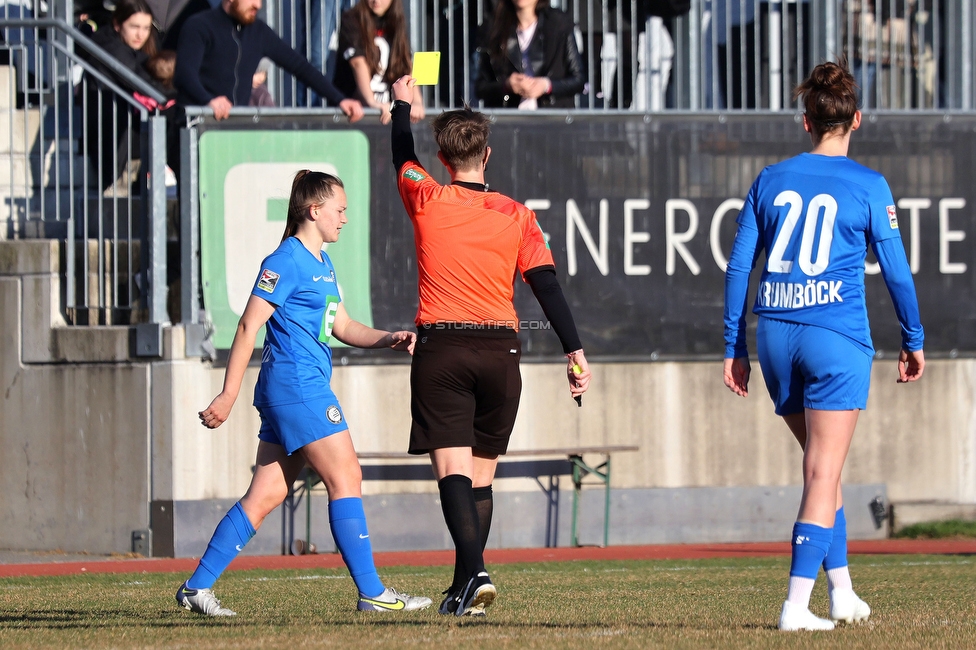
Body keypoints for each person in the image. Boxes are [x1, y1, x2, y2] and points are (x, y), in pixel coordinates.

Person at [722, 60, 925, 632]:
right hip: (835, 335)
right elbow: (897, 275)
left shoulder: (769, 178)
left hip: (776, 337)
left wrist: (733, 344)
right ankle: (794, 607)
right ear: (855, 119)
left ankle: (841, 593)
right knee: (822, 471)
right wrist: (913, 338)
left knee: (821, 471)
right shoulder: (868, 184)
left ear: (804, 120)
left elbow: (740, 267)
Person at [175, 170, 432, 617]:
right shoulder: (286, 260)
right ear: (314, 211)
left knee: (266, 494)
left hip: (295, 389)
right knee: (346, 476)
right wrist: (228, 394)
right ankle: (372, 593)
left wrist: (387, 337)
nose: (344, 219)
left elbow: (342, 325)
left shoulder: (322, 263)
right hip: (298, 387)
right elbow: (248, 325)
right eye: (340, 210)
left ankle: (196, 588)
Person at [389, 75, 591, 617]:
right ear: (487, 154)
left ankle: (474, 570)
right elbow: (546, 285)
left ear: (443, 157)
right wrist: (574, 350)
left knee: (453, 473)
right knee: (481, 476)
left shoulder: (427, 196)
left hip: (444, 351)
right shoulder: (517, 214)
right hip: (502, 353)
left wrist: (402, 104)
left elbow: (400, 153)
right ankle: (463, 592)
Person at [173, 0, 363, 122]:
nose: (259, 5)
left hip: (232, 129)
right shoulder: (199, 25)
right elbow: (184, 75)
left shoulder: (258, 32)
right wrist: (209, 101)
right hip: (197, 124)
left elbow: (300, 66)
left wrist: (340, 99)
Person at [80, 0, 168, 192]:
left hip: (126, 141)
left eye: (146, 28)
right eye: (134, 27)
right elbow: (136, 78)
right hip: (113, 141)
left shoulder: (131, 50)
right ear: (118, 25)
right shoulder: (110, 47)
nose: (140, 34)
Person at [475, 0, 584, 109]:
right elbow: (480, 87)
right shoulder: (493, 28)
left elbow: (578, 79)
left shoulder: (559, 25)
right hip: (509, 118)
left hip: (552, 117)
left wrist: (547, 85)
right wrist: (506, 85)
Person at [333, 0, 424, 124]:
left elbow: (406, 63)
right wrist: (372, 102)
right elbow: (357, 63)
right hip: (357, 111)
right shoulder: (352, 19)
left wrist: (417, 101)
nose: (376, 1)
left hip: (388, 109)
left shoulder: (396, 20)